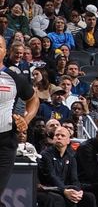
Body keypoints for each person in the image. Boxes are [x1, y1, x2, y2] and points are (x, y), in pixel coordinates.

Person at [0, 35, 39, 197]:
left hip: (4, 142)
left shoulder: (14, 77)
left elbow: (33, 99)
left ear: (5, 52)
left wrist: (26, 119)